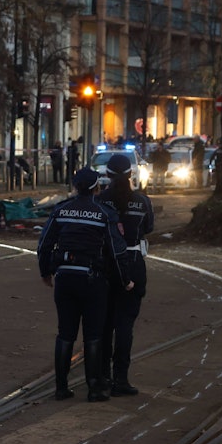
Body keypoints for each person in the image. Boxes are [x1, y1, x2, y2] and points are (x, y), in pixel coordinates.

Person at [37, 167, 134, 402]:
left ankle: (61, 388)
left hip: (65, 279)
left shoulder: (60, 211)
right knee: (93, 335)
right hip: (93, 281)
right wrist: (125, 280)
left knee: (65, 333)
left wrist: (46, 273)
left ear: (74, 186)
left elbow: (44, 245)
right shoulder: (103, 213)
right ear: (96, 188)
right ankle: (93, 388)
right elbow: (117, 250)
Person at [97, 154, 154, 396]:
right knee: (125, 325)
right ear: (131, 174)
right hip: (133, 264)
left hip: (105, 265)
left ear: (107, 175)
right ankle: (121, 379)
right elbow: (148, 228)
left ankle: (102, 377)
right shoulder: (142, 201)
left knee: (104, 324)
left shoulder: (99, 201)